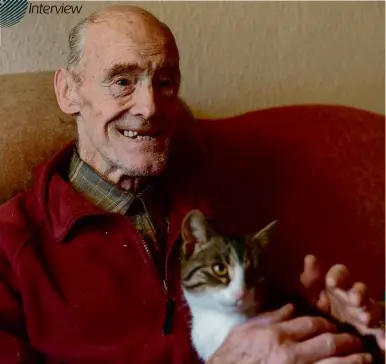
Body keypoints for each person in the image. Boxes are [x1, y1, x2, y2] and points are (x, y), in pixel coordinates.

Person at [0, 5, 383, 364]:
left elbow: (258, 320)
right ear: (68, 91)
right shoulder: (11, 243)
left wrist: (327, 320)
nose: (150, 107)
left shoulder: (213, 193)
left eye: (165, 82)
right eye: (122, 81)